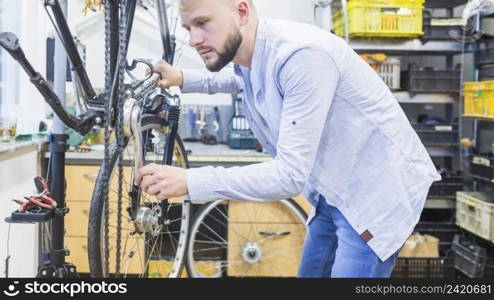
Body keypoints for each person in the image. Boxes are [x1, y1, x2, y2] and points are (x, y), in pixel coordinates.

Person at [134, 0, 441, 278]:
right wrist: (183, 78)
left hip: (373, 194)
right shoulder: (253, 53)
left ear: (241, 12)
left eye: (203, 23)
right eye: (189, 27)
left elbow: (289, 177)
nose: (194, 39)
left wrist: (190, 181)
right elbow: (235, 78)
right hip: (333, 190)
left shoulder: (301, 56)